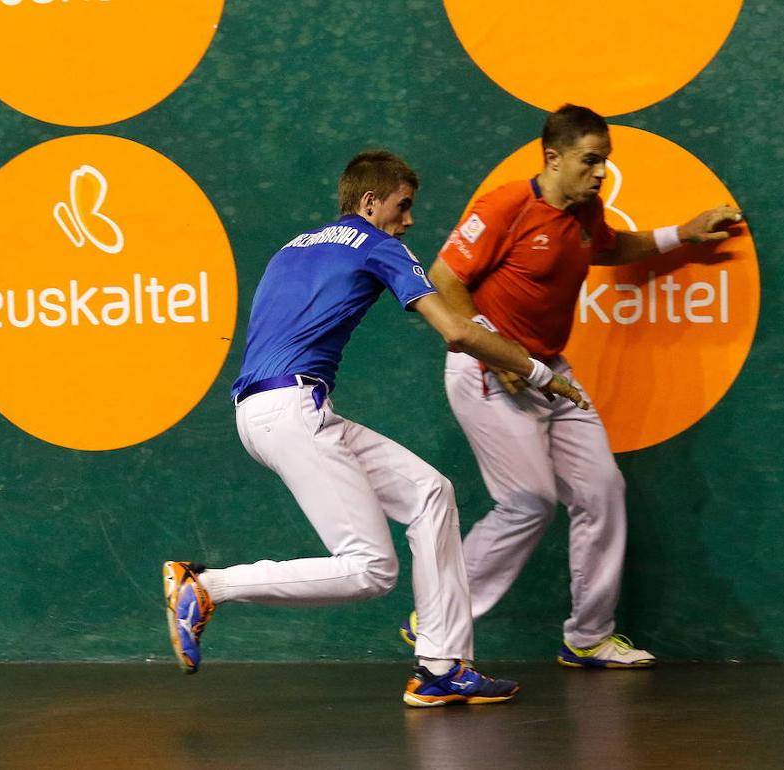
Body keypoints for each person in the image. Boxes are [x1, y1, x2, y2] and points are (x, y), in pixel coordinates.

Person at [162, 149, 588, 707]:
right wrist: (535, 371)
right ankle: (208, 585)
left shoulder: (292, 247)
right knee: (371, 570)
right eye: (402, 205)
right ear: (369, 202)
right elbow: (456, 332)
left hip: (269, 411)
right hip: (294, 410)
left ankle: (441, 664)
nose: (408, 220)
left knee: (431, 493)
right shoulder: (378, 244)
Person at [401, 105, 744, 668]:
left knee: (603, 492)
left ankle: (588, 636)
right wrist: (494, 346)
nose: (600, 172)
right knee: (528, 501)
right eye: (590, 160)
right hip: (486, 371)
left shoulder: (587, 213)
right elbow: (442, 280)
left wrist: (682, 234)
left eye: (605, 161)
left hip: (550, 374)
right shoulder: (505, 207)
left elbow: (608, 248)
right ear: (553, 157)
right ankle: (435, 616)